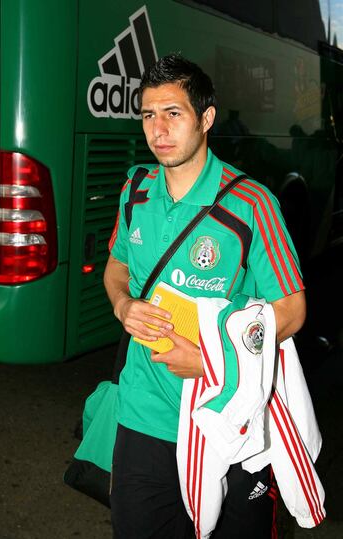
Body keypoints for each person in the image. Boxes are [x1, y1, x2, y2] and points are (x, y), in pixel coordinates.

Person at [103, 53, 306, 538]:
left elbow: (291, 311)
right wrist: (123, 304)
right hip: (144, 415)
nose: (159, 129)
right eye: (149, 115)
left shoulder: (251, 204)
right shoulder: (135, 189)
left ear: (206, 118)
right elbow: (116, 270)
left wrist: (214, 360)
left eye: (173, 113)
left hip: (227, 418)